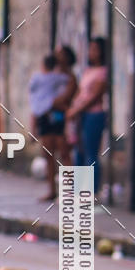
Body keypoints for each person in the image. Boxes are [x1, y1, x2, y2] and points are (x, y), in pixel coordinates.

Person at [66, 37, 108, 199]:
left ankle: (92, 190)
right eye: (90, 49)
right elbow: (80, 92)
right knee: (79, 151)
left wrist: (76, 110)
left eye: (95, 49)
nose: (92, 53)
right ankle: (79, 189)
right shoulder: (88, 71)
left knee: (91, 152)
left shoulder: (103, 72)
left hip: (93, 114)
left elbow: (95, 96)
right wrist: (74, 108)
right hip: (81, 114)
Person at [28, 53, 71, 201]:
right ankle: (55, 191)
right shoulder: (58, 79)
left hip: (58, 117)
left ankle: (69, 192)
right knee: (53, 155)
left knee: (62, 154)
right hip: (49, 117)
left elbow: (34, 104)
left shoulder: (64, 79)